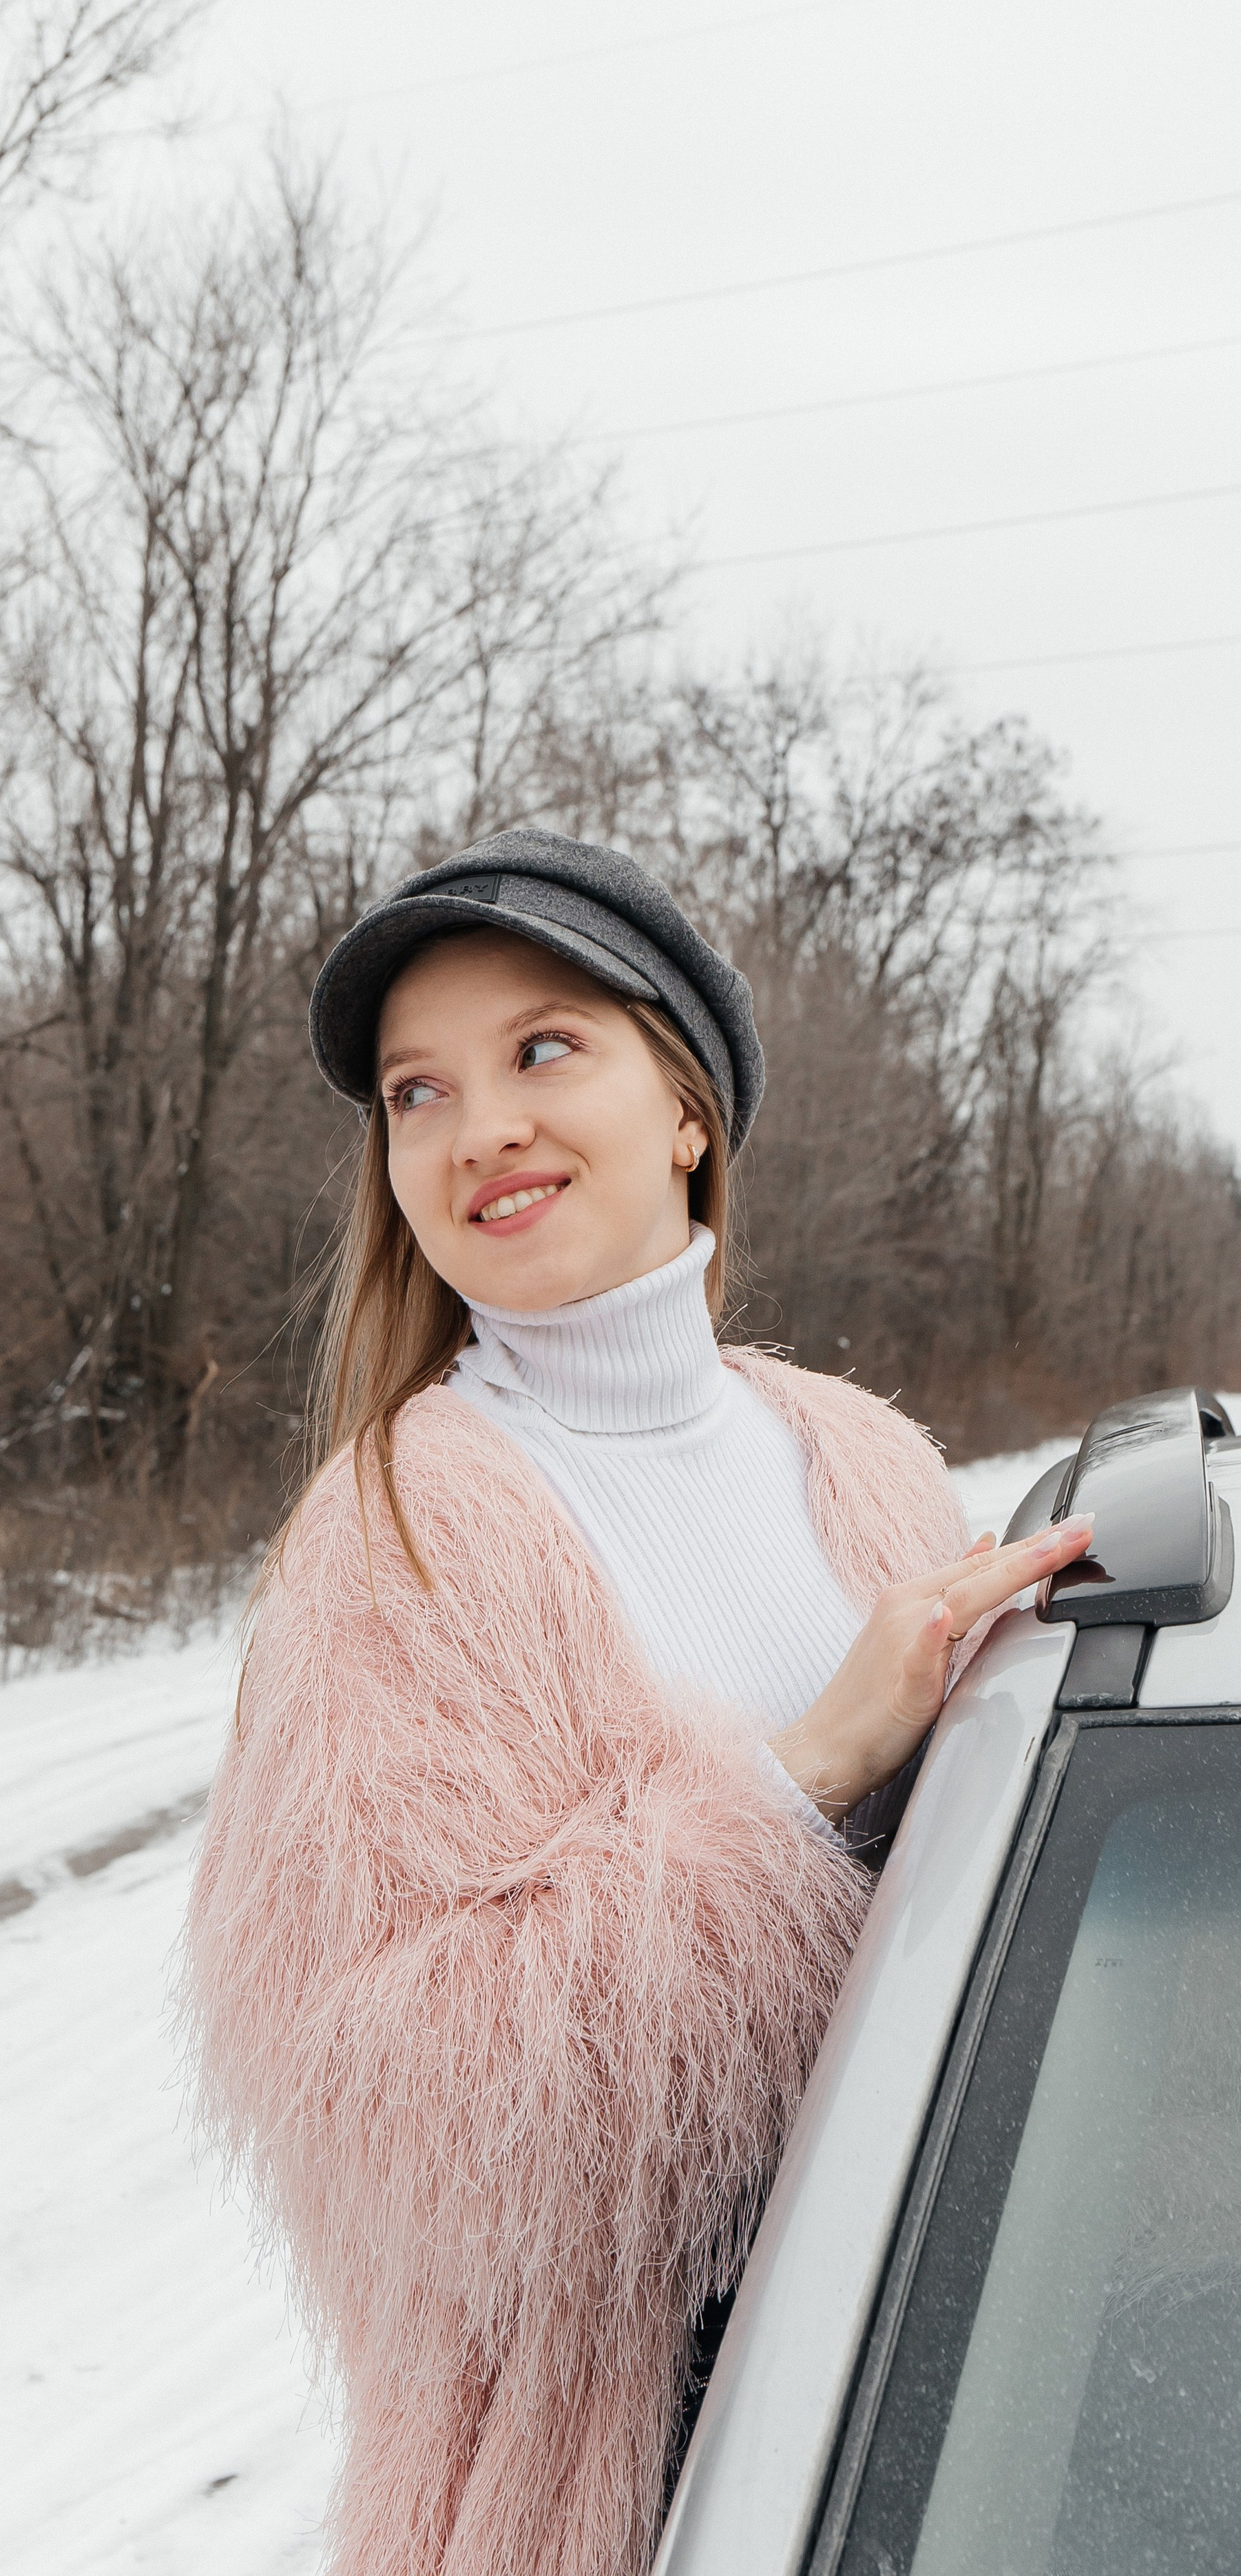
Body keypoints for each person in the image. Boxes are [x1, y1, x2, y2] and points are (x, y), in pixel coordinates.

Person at [183, 828, 1092, 2576]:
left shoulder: (859, 1454)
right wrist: (803, 1777)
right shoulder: (398, 1530)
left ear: (684, 1107)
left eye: (542, 1050)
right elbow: (398, 2125)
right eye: (415, 1092)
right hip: (644, 2466)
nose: (477, 1130)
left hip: (954, 2375)